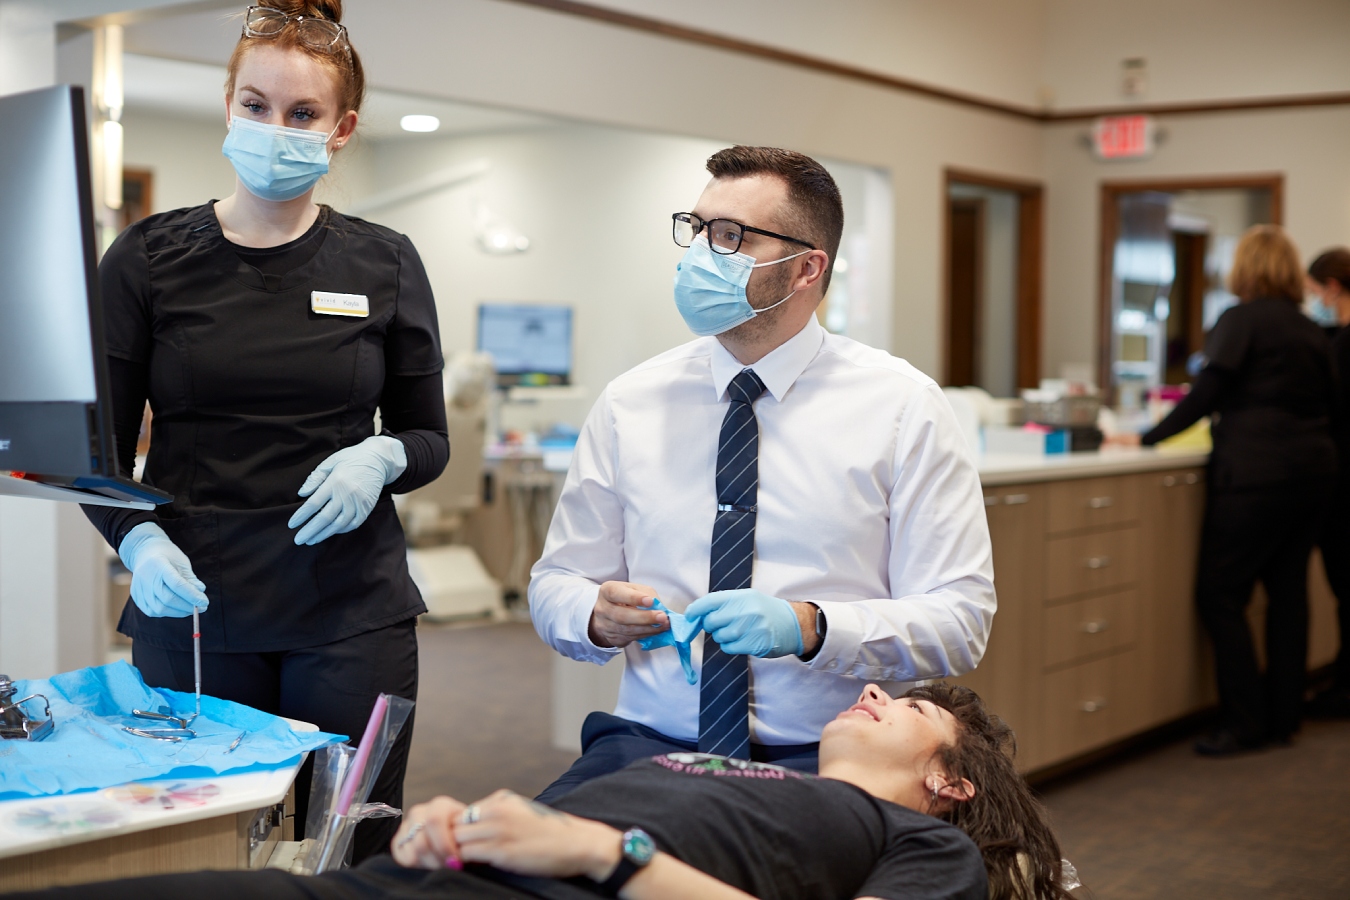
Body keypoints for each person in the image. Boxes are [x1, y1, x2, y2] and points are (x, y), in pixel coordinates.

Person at [80, 0, 447, 860]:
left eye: (302, 113)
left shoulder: (385, 261)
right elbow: (97, 452)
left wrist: (383, 455)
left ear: (341, 129)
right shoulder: (147, 259)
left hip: (350, 611)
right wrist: (136, 540)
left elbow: (429, 437)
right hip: (197, 606)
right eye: (256, 105)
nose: (275, 128)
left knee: (343, 842)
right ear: (229, 105)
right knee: (206, 847)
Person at [528, 147, 994, 799]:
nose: (700, 254)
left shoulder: (902, 407)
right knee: (511, 849)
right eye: (697, 229)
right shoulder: (631, 402)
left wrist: (811, 627)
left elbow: (960, 621)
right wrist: (594, 616)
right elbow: (556, 582)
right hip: (649, 743)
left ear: (807, 268)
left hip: (825, 756)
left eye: (730, 236)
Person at [15, 683, 1077, 900]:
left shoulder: (923, 845)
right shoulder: (744, 771)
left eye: (911, 704)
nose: (875, 690)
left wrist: (601, 854)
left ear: (950, 778)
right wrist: (453, 826)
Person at [1135, 225, 1337, 755]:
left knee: (1221, 594)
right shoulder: (1311, 329)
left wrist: (1146, 437)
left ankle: (1244, 721)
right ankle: (1284, 718)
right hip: (1313, 473)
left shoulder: (1240, 319)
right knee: (1288, 595)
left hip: (1255, 475)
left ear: (1244, 269)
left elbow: (1206, 394)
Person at [1306, 247, 1350, 717]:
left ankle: (1343, 688)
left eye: (1316, 291)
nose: (1315, 300)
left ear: (1333, 287)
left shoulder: (1343, 346)